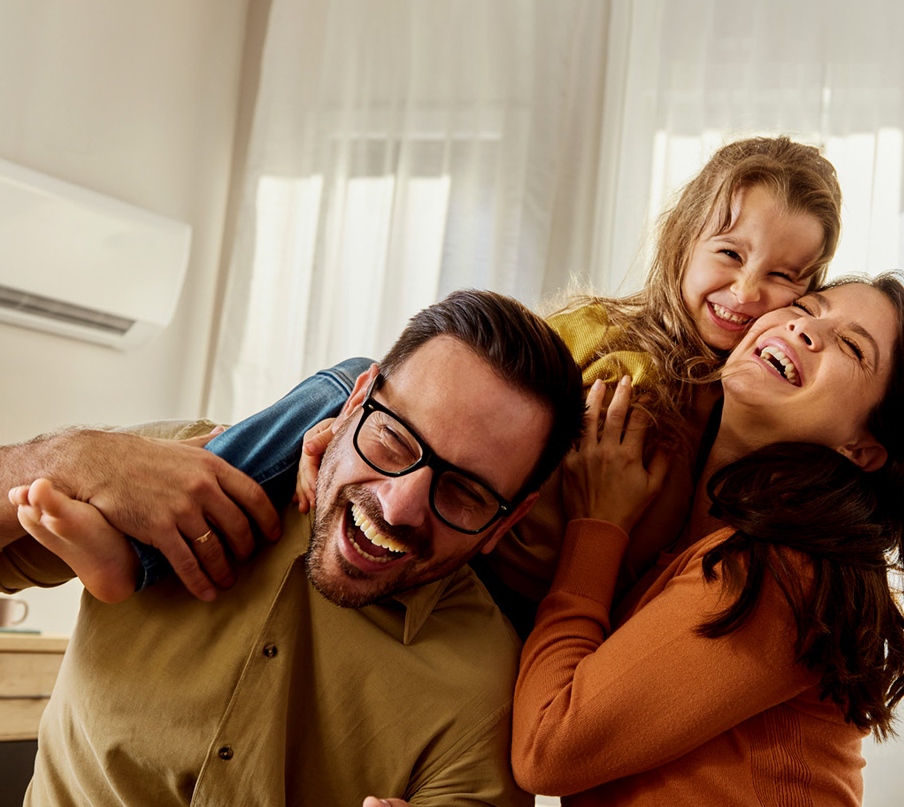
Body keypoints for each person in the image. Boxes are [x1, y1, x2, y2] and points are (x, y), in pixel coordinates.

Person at [65, 135, 844, 623]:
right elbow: (457, 387)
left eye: (782, 276)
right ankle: (142, 554)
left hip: (520, 589)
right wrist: (351, 438)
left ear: (810, 291)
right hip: (465, 525)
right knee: (349, 384)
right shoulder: (604, 332)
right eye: (731, 255)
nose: (747, 294)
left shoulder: (734, 405)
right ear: (684, 241)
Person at [0, 290, 585, 807]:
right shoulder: (175, 475)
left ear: (504, 521)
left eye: (465, 493)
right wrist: (70, 459)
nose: (400, 505)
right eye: (394, 438)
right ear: (354, 401)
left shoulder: (485, 690)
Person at [510, 274, 904, 805]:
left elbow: (546, 749)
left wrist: (595, 528)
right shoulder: (694, 536)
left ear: (862, 446)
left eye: (850, 346)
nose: (804, 327)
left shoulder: (789, 569)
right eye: (805, 306)